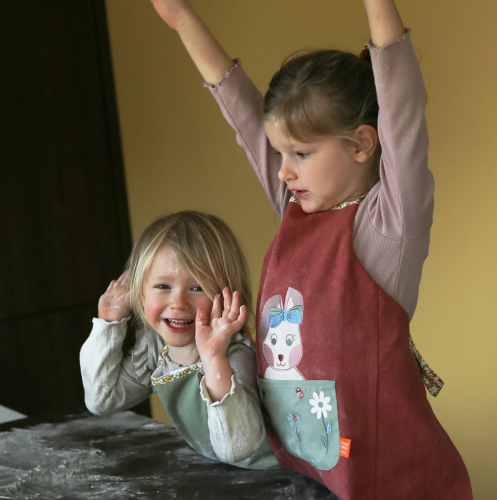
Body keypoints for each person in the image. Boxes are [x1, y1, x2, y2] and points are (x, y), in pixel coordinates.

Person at [149, 0, 473, 498]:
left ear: (363, 145)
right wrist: (182, 19)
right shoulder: (297, 209)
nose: (283, 171)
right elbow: (240, 111)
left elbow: (403, 107)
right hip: (312, 474)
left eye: (301, 153)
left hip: (395, 483)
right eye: (280, 153)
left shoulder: (389, 226)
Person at [80, 210, 278, 469]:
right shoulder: (155, 349)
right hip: (219, 475)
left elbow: (237, 449)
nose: (178, 303)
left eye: (197, 288)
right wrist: (108, 324)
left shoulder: (235, 357)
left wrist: (213, 359)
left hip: (274, 479)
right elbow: (102, 401)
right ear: (140, 294)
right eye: (163, 286)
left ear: (228, 298)